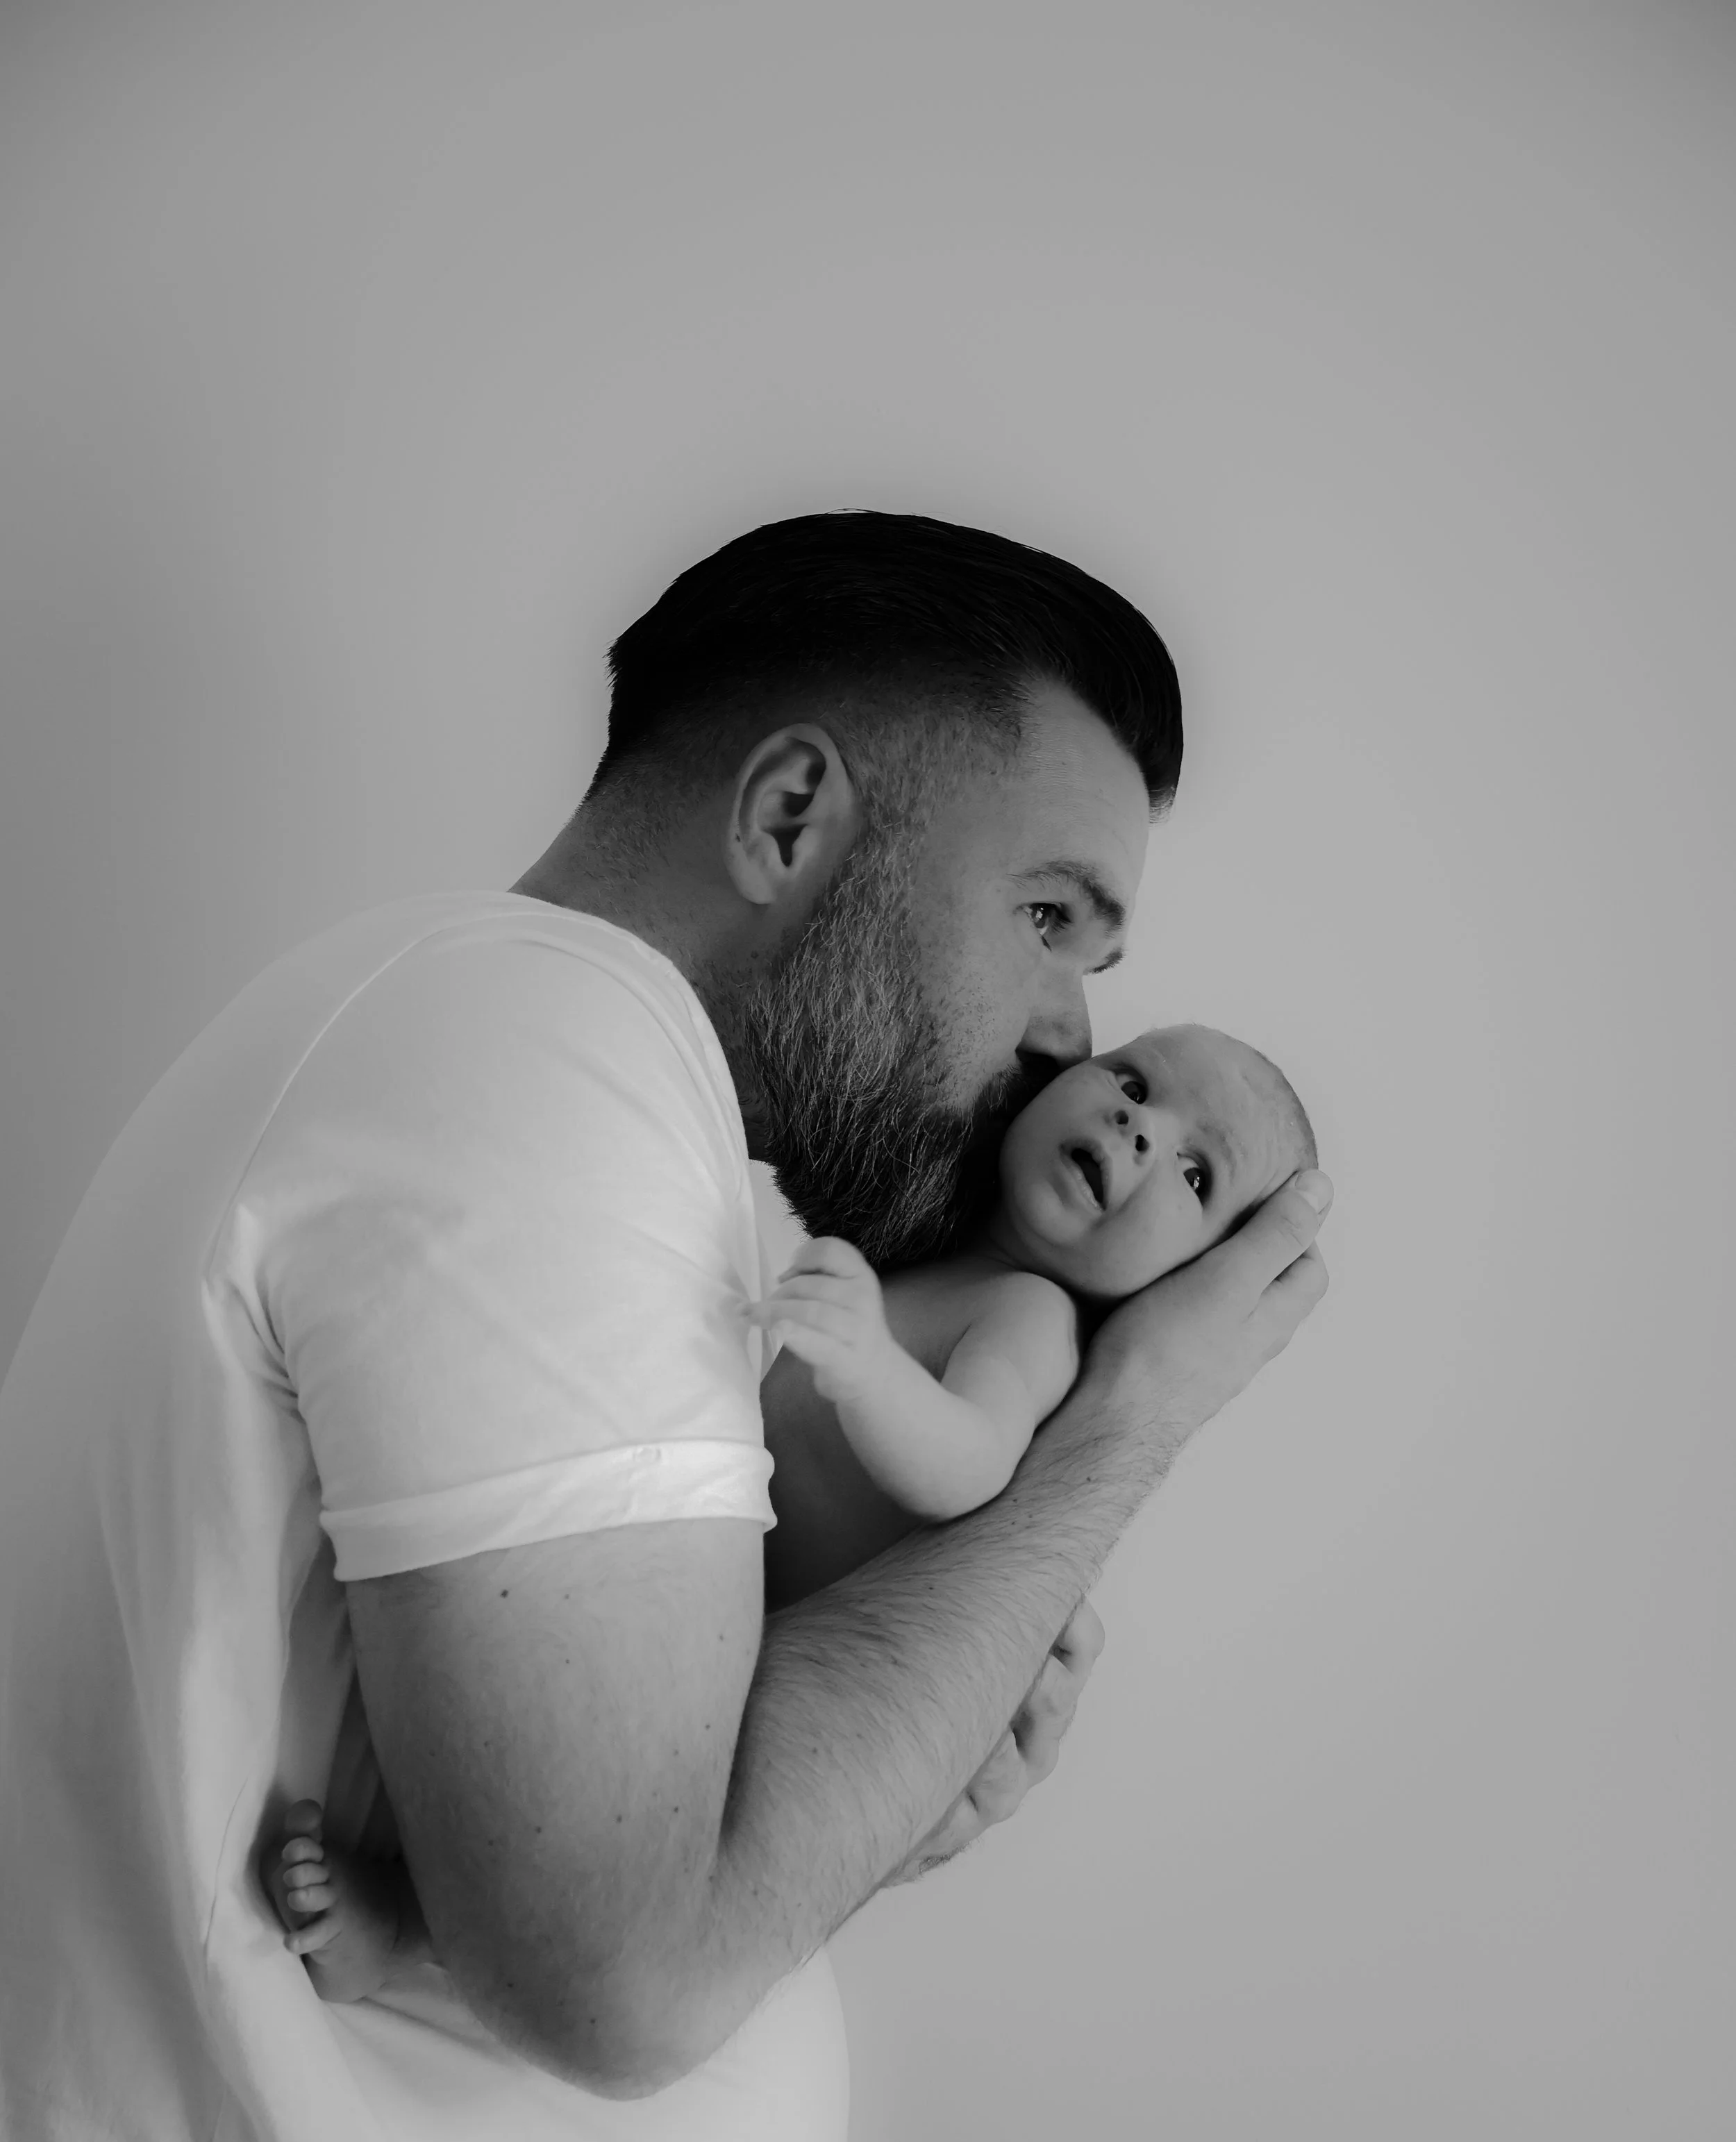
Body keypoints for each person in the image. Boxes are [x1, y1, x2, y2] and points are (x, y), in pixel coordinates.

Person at [0, 511, 1331, 2141]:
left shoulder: (597, 1108)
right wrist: (1129, 1427)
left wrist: (876, 1776)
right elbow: (626, 1973)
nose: (1069, 1034)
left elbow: (663, 1868)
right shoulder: (550, 1047)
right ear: (788, 819)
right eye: (1047, 919)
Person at [265, 1020, 1321, 1999]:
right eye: (1132, 1083)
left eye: (1194, 1171)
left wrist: (868, 1369)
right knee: (543, 1744)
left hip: (771, 1659)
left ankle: (406, 1925)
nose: (1140, 1125)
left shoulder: (1030, 1317)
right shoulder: (942, 1251)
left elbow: (971, 1461)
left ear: (1192, 1283)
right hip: (706, 1589)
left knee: (607, 1825)